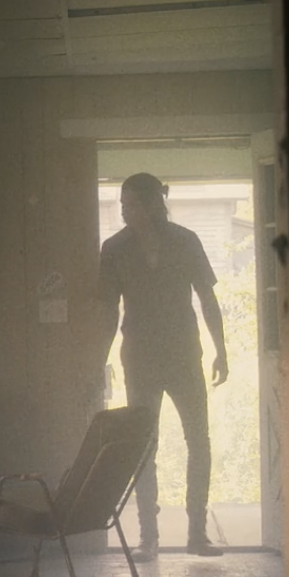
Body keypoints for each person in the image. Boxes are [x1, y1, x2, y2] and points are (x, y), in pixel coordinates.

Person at [93, 172, 228, 555]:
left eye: (131, 204)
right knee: (143, 446)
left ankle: (197, 532)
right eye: (122, 204)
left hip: (184, 354)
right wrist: (100, 361)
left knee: (198, 440)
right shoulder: (115, 248)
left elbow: (207, 298)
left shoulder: (185, 241)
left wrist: (221, 350)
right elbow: (108, 311)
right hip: (140, 358)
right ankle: (148, 537)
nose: (124, 211)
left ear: (154, 204)